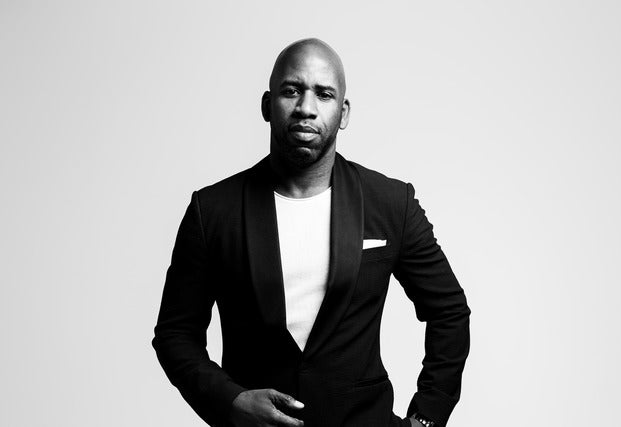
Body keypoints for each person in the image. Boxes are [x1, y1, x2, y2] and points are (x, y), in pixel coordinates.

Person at [152, 38, 470, 427]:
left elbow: (449, 310)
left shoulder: (390, 203)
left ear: (343, 112)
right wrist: (231, 402)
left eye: (323, 94)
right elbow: (175, 335)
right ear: (267, 105)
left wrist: (426, 419)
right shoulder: (213, 211)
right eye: (291, 90)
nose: (306, 107)